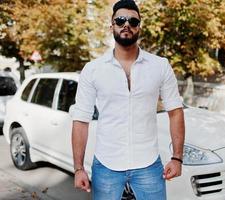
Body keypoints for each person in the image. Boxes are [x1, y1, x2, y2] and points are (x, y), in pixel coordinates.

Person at [71, 0, 185, 199]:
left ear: (139, 26)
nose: (126, 25)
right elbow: (81, 120)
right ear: (112, 25)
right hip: (106, 164)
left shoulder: (160, 66)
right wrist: (78, 168)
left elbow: (175, 112)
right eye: (120, 20)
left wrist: (177, 158)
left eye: (133, 21)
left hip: (148, 164)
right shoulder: (93, 69)